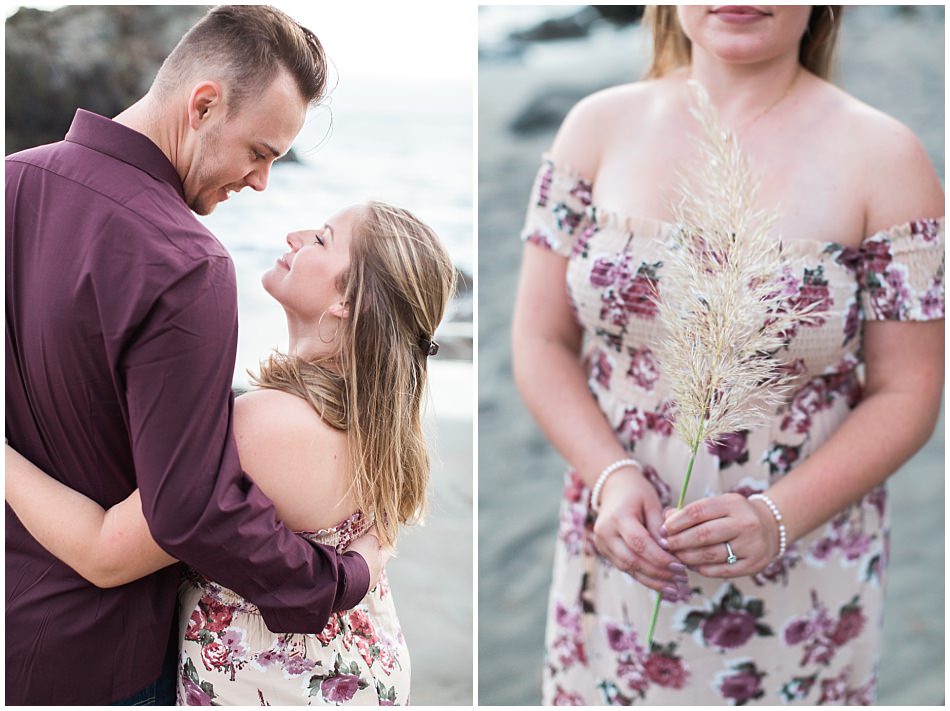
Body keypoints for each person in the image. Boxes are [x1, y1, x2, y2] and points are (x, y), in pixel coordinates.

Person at [512, 5, 943, 705]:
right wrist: (610, 475)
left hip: (803, 570)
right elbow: (539, 341)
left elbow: (909, 389)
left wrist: (777, 517)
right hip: (621, 546)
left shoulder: (887, 157)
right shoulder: (595, 127)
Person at [5, 6, 385, 705]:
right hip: (96, 659)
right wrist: (339, 580)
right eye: (260, 152)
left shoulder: (10, 181)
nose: (261, 181)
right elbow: (187, 509)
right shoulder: (187, 264)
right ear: (203, 105)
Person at [6, 200, 457, 704]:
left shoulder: (266, 426)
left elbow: (103, 554)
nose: (295, 236)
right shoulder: (382, 421)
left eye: (321, 239)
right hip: (364, 669)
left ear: (349, 302)